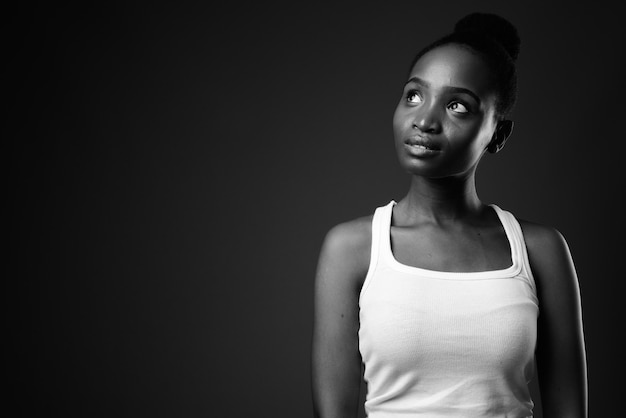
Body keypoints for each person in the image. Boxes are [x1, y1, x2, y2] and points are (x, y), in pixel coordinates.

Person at [311, 12, 587, 418]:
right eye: (413, 95)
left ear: (498, 133)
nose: (424, 120)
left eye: (458, 105)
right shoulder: (352, 249)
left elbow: (570, 410)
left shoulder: (540, 250)